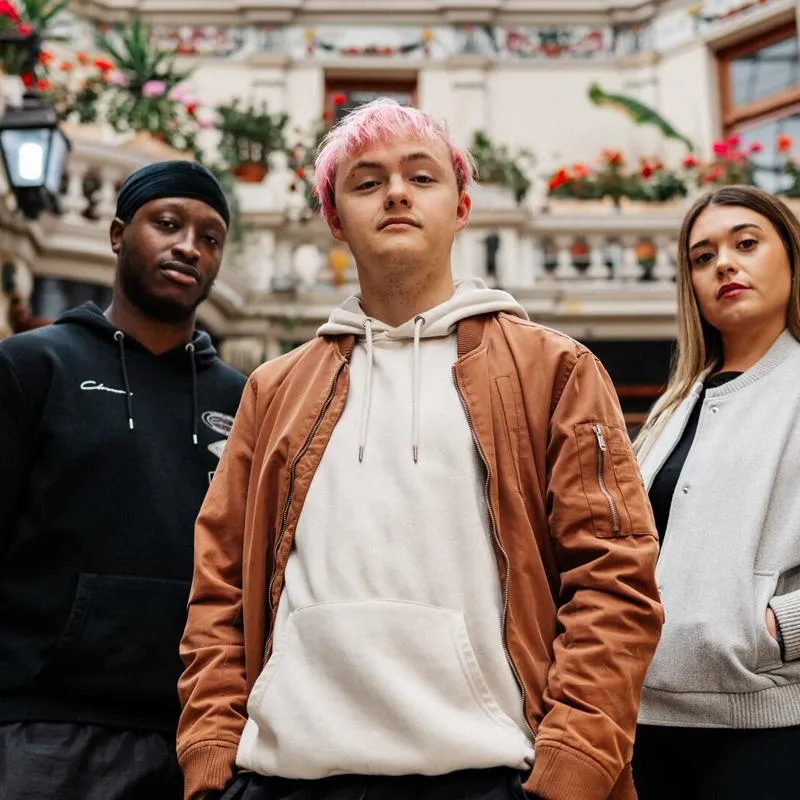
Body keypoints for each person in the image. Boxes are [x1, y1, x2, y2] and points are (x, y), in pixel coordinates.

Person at [178, 99, 663, 800]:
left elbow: (615, 579)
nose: (397, 193)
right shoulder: (274, 391)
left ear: (461, 207)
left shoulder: (554, 371)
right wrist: (210, 753)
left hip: (494, 775)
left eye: (421, 176)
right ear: (335, 218)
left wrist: (575, 766)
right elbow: (218, 585)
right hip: (285, 778)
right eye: (367, 181)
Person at [0, 161, 247, 800]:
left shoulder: (245, 401)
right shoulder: (32, 366)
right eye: (167, 224)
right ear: (118, 234)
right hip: (40, 729)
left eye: (210, 237)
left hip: (195, 735)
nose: (188, 246)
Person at [631, 185, 800, 800]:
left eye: (746, 244)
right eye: (703, 257)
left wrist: (777, 628)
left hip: (767, 723)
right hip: (643, 718)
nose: (724, 264)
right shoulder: (672, 406)